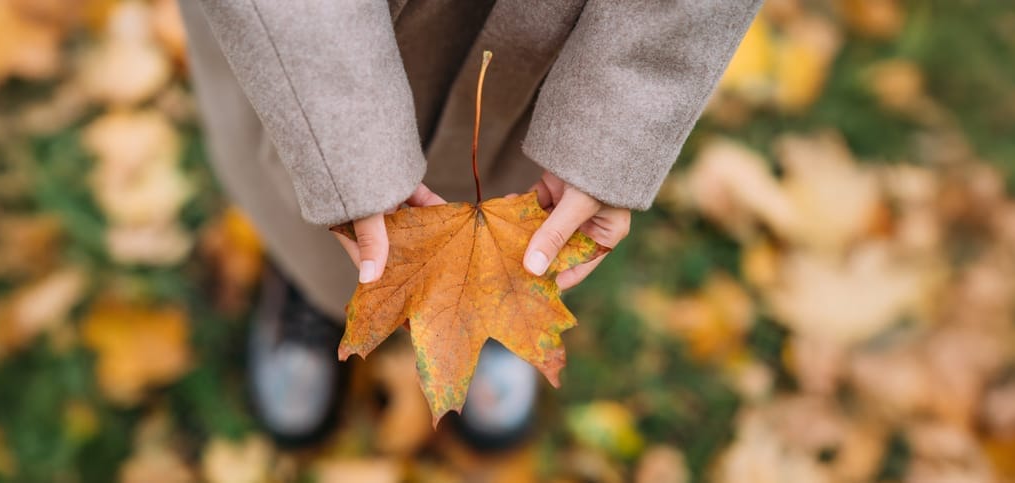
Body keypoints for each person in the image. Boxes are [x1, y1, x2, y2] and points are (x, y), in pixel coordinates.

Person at [177, 0, 762, 450]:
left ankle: (499, 307)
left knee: (531, 206)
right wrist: (343, 147)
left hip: (556, 48)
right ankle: (308, 285)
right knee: (324, 197)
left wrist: (612, 130)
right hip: (314, 39)